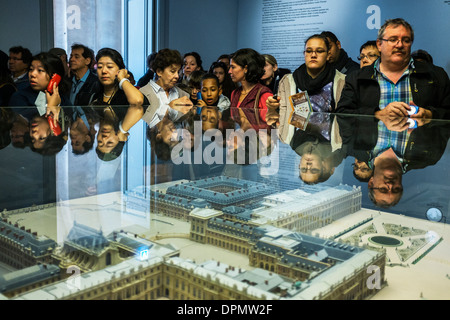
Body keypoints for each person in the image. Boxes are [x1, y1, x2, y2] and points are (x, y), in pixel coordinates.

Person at [336, 18, 450, 120]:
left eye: (406, 40)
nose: (399, 45)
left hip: (420, 142)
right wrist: (378, 114)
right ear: (379, 44)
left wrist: (430, 115)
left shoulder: (436, 75)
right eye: (393, 39)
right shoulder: (356, 78)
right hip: (372, 143)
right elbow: (342, 114)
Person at [265, 34, 346, 144]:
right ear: (304, 54)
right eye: (309, 51)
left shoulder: (342, 81)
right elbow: (283, 113)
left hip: (327, 142)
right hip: (299, 140)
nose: (313, 55)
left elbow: (346, 119)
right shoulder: (288, 81)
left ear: (328, 55)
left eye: (320, 51)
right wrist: (272, 108)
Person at [89, 48, 146, 161]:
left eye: (109, 67)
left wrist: (122, 79)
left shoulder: (126, 96)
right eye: (100, 67)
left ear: (119, 70)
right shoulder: (92, 97)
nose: (104, 71)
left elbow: (138, 102)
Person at [139, 48, 193, 130]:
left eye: (178, 72)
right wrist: (170, 106)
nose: (177, 76)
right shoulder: (142, 93)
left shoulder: (184, 95)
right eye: (172, 71)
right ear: (159, 72)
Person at [229, 48, 273, 132]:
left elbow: (268, 128)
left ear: (246, 68)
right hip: (239, 142)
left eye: (233, 67)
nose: (229, 71)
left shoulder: (264, 95)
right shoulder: (234, 93)